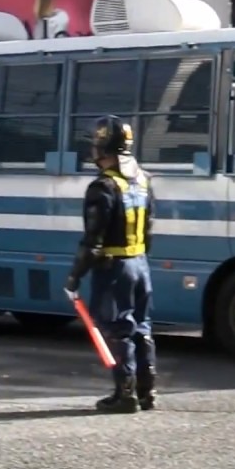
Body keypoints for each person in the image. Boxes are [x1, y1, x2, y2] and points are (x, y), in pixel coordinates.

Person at [64, 116, 158, 414]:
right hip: (140, 264)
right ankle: (147, 390)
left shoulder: (102, 187)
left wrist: (74, 277)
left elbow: (93, 241)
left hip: (115, 268)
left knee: (119, 329)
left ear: (101, 148)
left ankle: (124, 393)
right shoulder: (143, 180)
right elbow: (149, 229)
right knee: (142, 327)